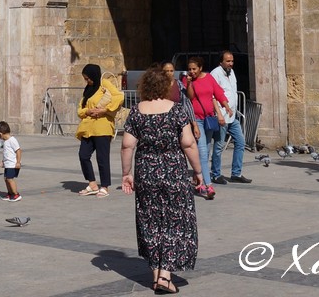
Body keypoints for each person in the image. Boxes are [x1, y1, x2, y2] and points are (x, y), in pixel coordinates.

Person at [121, 66, 203, 295]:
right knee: (174, 221)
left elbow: (127, 145)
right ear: (166, 87)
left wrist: (126, 173)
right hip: (174, 173)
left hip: (146, 173)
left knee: (150, 220)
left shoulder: (136, 112)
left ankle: (156, 273)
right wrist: (198, 172)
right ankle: (165, 277)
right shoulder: (177, 111)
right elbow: (188, 143)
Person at [184, 56, 229, 199]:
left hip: (209, 118)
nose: (192, 71)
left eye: (194, 69)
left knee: (206, 150)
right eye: (190, 69)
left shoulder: (209, 78)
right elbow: (189, 97)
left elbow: (218, 92)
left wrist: (226, 106)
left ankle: (199, 178)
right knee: (202, 151)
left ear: (200, 68)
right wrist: (190, 84)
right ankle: (207, 185)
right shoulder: (187, 81)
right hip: (196, 120)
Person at [76, 63, 124, 197]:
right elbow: (80, 109)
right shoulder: (87, 90)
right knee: (83, 155)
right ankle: (92, 183)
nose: (87, 81)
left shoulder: (104, 84)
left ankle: (105, 186)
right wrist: (88, 111)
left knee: (102, 158)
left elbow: (119, 96)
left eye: (88, 78)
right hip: (88, 128)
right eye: (85, 79)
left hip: (102, 128)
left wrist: (105, 110)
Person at [209, 51, 251, 185]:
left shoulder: (231, 72)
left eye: (232, 61)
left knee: (240, 141)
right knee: (219, 145)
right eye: (227, 61)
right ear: (221, 61)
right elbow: (213, 96)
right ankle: (216, 174)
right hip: (222, 116)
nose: (230, 63)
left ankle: (236, 173)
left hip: (232, 115)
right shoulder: (215, 74)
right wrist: (219, 114)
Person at [0, 120, 22, 201]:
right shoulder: (5, 141)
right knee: (6, 179)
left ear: (0, 133)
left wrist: (18, 162)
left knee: (10, 179)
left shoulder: (12, 140)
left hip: (13, 164)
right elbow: (6, 153)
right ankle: (10, 194)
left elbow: (18, 151)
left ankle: (16, 194)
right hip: (7, 164)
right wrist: (3, 161)